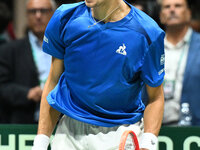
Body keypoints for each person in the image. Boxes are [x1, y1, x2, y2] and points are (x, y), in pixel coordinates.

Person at [32, 0, 165, 150]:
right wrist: (40, 143)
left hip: (119, 132)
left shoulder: (148, 32)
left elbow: (155, 97)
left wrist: (149, 143)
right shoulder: (65, 17)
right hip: (69, 131)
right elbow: (53, 81)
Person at [0, 0, 56, 123]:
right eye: (32, 11)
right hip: (23, 122)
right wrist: (27, 93)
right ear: (26, 15)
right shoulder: (9, 51)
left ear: (53, 14)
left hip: (60, 121)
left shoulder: (66, 50)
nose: (38, 16)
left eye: (43, 11)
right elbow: (2, 86)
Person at [159, 0, 200, 126]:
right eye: (167, 7)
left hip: (194, 127)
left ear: (188, 13)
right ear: (160, 15)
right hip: (157, 127)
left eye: (178, 6)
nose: (172, 10)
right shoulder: (152, 47)